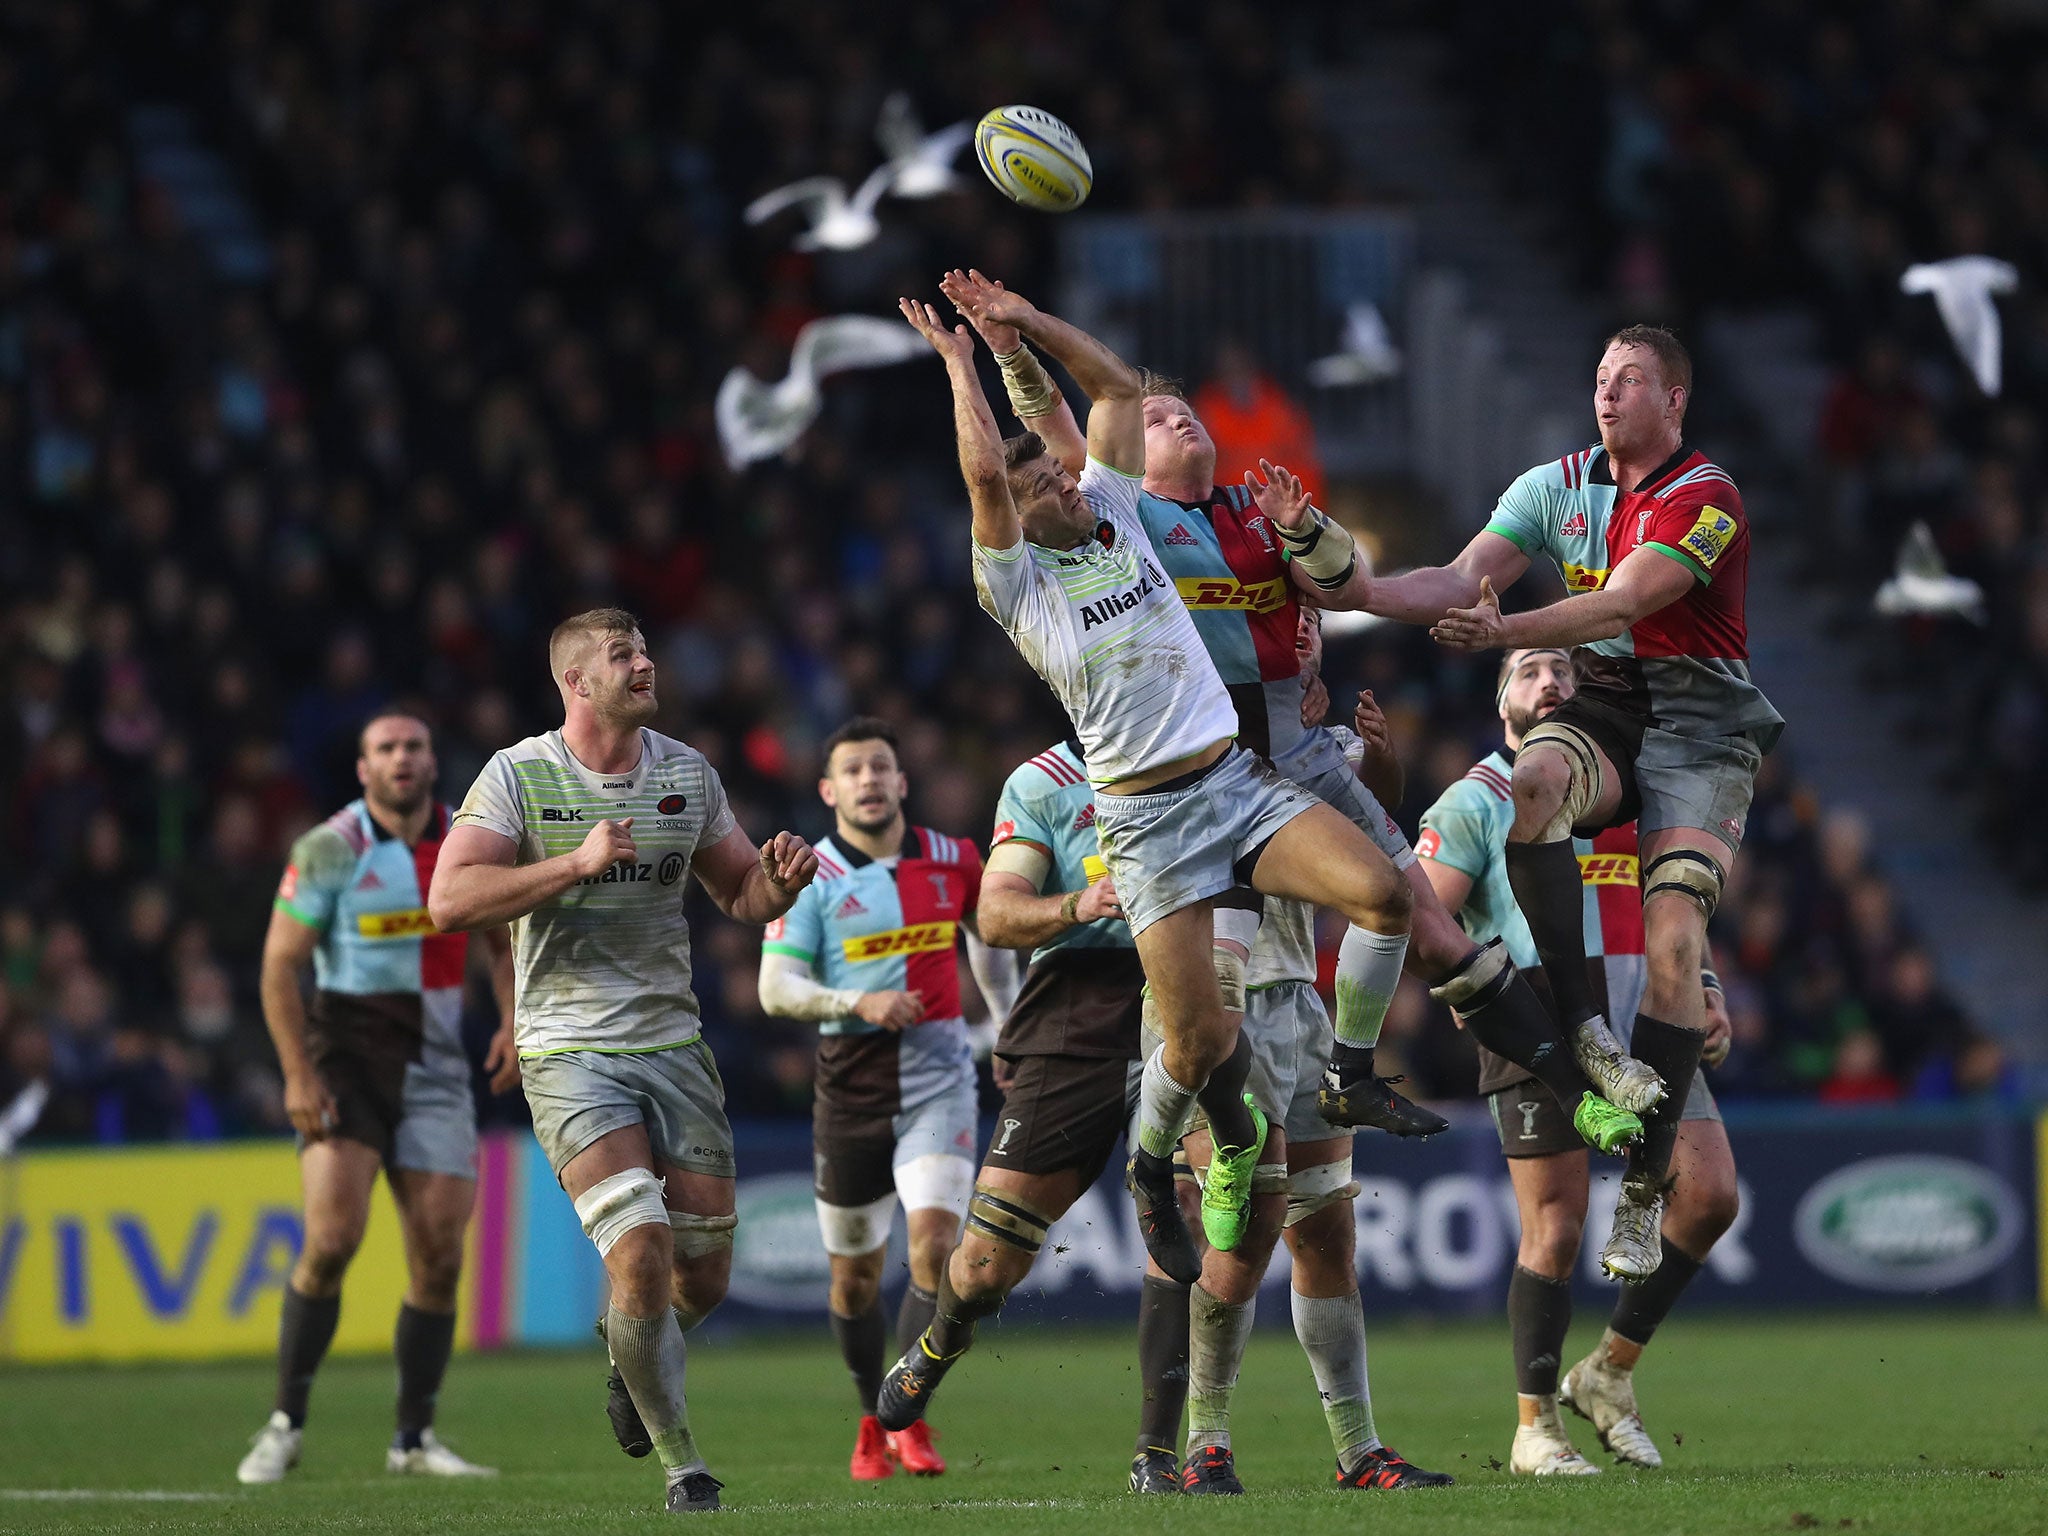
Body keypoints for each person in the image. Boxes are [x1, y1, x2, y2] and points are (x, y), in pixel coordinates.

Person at [883, 278, 1443, 1429]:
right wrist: (956, 362)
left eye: (1059, 472)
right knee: (1193, 1041)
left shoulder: (1126, 514)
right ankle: (1098, 1215)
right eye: (1035, 485)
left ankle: (1345, 1070)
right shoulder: (1019, 582)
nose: (1051, 485)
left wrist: (1023, 324)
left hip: (1232, 787)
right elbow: (988, 473)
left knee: (1386, 895)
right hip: (1141, 828)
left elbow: (1123, 395)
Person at [941, 268, 1642, 1157]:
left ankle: (1547, 1087)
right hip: (1160, 796)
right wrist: (1002, 347)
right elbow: (1039, 444)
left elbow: (1352, 585)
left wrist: (1307, 536)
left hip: (1274, 761)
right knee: (1206, 1031)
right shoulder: (1123, 515)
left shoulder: (1244, 510)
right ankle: (1180, 1168)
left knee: (1418, 920)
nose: (1177, 417)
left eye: (1183, 409)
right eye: (1157, 419)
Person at [1370, 324, 1782, 1278]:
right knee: (1534, 780)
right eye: (1599, 377)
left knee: (1676, 937)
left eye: (1630, 380)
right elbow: (1453, 577)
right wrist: (1348, 581)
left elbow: (1627, 602)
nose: (1607, 394)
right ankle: (1591, 1032)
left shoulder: (1707, 497)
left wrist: (1501, 627)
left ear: (1675, 399)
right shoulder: (1554, 485)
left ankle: (1643, 1189)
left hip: (1703, 731)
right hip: (1609, 708)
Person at [426, 607, 818, 1515]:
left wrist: (780, 883)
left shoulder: (687, 772)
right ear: (575, 682)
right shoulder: (519, 776)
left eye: (645, 649)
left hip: (674, 1045)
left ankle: (626, 1355)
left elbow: (739, 894)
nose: (646, 663)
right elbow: (450, 899)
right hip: (566, 1048)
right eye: (623, 655)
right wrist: (571, 864)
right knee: (639, 1249)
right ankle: (685, 1468)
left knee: (704, 1277)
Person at [1418, 648, 1741, 1475]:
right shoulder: (1476, 800)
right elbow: (1423, 916)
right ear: (1503, 707)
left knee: (1708, 1199)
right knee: (1556, 1228)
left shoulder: (1626, 789)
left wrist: (1703, 982)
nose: (1552, 682)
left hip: (1648, 1019)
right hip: (1540, 1022)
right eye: (1528, 671)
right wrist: (1467, 984)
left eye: (1564, 669)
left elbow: (1673, 904)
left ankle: (1607, 1374)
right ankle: (1535, 1430)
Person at [1157, 621, 1452, 1496]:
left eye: (1311, 625)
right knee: (1245, 1231)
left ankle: (1359, 1450)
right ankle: (1206, 1443)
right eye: (1283, 622)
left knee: (1326, 1230)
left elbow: (1377, 833)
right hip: (1219, 1001)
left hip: (1300, 1005)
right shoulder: (1190, 724)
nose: (1301, 637)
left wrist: (1375, 760)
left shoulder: (1315, 742)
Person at [237, 712, 515, 1486]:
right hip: (345, 1064)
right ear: (363, 769)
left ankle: (413, 1439)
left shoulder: (470, 838)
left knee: (438, 1253)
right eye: (386, 748)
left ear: (433, 761)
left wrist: (515, 1018)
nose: (402, 758)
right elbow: (278, 968)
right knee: (332, 1239)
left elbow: (502, 940)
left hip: (435, 1066)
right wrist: (297, 1074)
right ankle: (286, 1423)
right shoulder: (331, 848)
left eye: (415, 746)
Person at [756, 716, 1001, 1481]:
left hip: (938, 1080)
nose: (868, 780)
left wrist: (1005, 1026)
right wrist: (855, 1003)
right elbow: (775, 989)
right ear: (830, 790)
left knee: (933, 1247)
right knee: (854, 1278)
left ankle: (910, 1413)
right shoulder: (809, 880)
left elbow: (991, 943)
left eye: (880, 767)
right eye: (852, 770)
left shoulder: (957, 860)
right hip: (850, 1090)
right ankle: (872, 1417)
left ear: (902, 782)